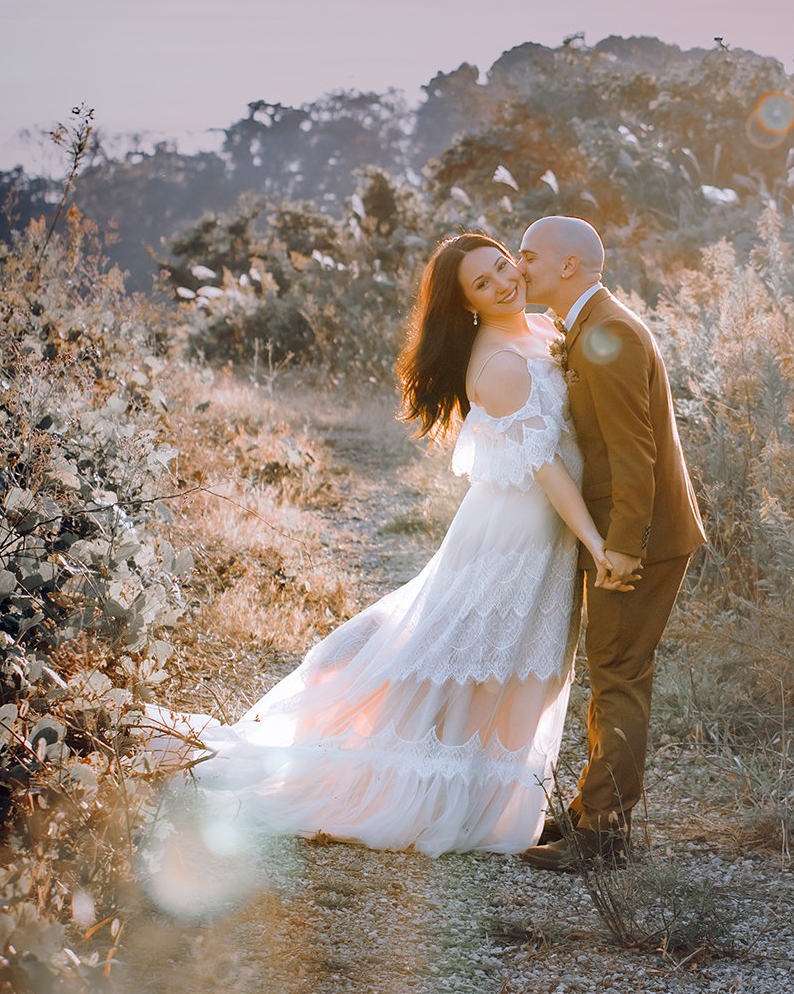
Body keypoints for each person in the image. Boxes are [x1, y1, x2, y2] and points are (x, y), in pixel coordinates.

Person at [150, 232, 605, 854]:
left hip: (540, 527)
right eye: (483, 283)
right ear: (466, 303)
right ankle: (443, 795)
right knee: (476, 659)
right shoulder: (497, 361)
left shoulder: (542, 330)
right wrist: (598, 543)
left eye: (503, 267)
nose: (503, 282)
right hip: (517, 532)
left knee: (524, 663)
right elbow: (548, 465)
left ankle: (491, 799)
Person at [516, 215, 706, 872]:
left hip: (642, 537)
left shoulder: (611, 333)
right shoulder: (591, 326)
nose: (520, 266)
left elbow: (636, 454)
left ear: (570, 265)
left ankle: (603, 834)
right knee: (609, 669)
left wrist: (623, 546)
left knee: (619, 673)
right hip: (628, 530)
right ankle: (588, 808)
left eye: (530, 255)